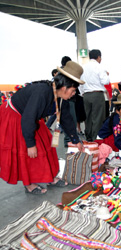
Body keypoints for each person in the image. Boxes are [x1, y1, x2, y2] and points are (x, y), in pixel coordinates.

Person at [0, 61, 85, 194]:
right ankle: (29, 184)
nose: (74, 94)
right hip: (15, 116)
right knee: (29, 152)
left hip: (30, 118)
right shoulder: (42, 92)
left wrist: (76, 140)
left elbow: (66, 119)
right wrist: (30, 143)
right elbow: (28, 119)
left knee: (47, 144)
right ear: (64, 87)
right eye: (73, 90)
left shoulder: (61, 98)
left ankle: (49, 177)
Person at [79, 49, 110, 141]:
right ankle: (96, 138)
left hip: (86, 95)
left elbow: (80, 83)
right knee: (98, 118)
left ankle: (88, 136)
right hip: (97, 94)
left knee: (87, 117)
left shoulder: (83, 68)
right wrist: (107, 74)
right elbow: (105, 81)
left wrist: (83, 93)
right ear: (99, 57)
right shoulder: (99, 67)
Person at [61, 56, 78, 147]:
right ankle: (69, 141)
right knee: (70, 120)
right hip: (68, 100)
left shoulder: (60, 73)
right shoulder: (66, 73)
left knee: (67, 119)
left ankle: (70, 140)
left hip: (65, 100)